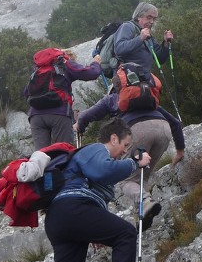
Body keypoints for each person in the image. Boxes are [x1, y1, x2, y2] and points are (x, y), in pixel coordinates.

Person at [42, 118, 152, 262]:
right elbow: (103, 171)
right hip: (74, 208)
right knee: (126, 233)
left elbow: (94, 186)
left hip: (58, 218)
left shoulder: (91, 156)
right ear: (114, 138)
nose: (125, 150)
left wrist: (95, 232)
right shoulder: (96, 149)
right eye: (125, 145)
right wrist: (135, 163)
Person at [76, 90, 185, 230]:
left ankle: (144, 202)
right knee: (142, 176)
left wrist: (79, 126)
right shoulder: (147, 98)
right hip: (163, 129)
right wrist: (180, 150)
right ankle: (145, 213)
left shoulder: (114, 98)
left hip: (137, 130)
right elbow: (175, 123)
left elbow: (86, 115)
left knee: (126, 180)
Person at [24, 50, 102, 150]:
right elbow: (92, 73)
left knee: (40, 158)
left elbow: (26, 92)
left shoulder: (38, 70)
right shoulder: (65, 63)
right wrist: (95, 63)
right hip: (59, 115)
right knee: (62, 154)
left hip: (36, 117)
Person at [111, 2, 174, 76]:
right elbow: (119, 49)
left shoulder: (148, 34)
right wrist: (140, 38)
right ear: (138, 16)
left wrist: (166, 43)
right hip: (128, 79)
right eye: (149, 17)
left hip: (144, 79)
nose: (152, 22)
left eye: (154, 19)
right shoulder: (127, 27)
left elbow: (160, 59)